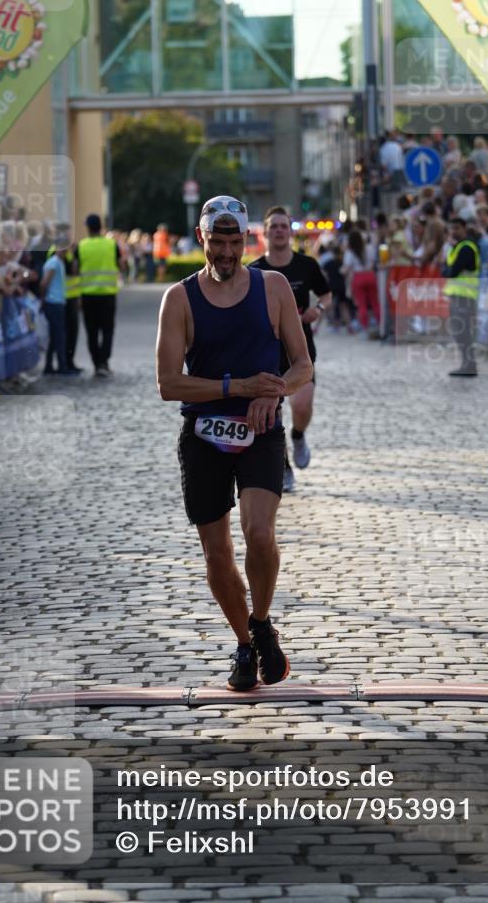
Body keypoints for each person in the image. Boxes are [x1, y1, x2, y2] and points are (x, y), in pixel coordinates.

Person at [156, 195, 313, 692]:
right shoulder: (179, 299)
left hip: (261, 430)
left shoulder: (273, 287)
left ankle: (262, 621)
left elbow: (302, 366)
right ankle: (245, 643)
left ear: (249, 240)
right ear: (201, 239)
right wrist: (235, 388)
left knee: (259, 533)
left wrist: (275, 391)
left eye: (234, 242)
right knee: (217, 556)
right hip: (203, 436)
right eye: (216, 242)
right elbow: (168, 384)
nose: (225, 253)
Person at [251, 206, 331, 492]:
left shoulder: (306, 265)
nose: (280, 231)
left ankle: (298, 436)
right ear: (266, 232)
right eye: (274, 226)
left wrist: (317, 310)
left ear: (290, 230)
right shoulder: (255, 270)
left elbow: (326, 293)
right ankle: (284, 467)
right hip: (268, 350)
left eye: (284, 226)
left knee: (302, 405)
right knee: (274, 413)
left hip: (301, 347)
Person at [77, 213, 123, 377]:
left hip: (88, 295)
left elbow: (75, 269)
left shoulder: (81, 246)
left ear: (88, 227)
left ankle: (97, 364)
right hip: (108, 295)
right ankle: (104, 362)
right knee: (108, 330)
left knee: (92, 332)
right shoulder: (111, 244)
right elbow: (122, 265)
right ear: (101, 227)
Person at [442, 217, 480, 377]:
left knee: (463, 333)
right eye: (452, 228)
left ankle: (469, 365)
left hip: (464, 297)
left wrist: (447, 270)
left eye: (457, 228)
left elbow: (451, 271)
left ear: (464, 228)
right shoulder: (456, 247)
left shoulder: (466, 248)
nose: (454, 231)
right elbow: (446, 270)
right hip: (458, 296)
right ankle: (466, 364)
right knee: (460, 333)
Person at [40, 235, 80, 377]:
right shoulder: (54, 263)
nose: (66, 251)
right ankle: (62, 366)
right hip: (54, 302)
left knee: (54, 335)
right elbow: (45, 283)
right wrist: (43, 300)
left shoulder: (59, 262)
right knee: (59, 336)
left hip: (58, 301)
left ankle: (49, 365)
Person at [342, 229, 380, 334]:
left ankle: (365, 327)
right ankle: (380, 323)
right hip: (370, 275)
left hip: (358, 278)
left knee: (361, 304)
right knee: (375, 302)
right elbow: (373, 263)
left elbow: (346, 268)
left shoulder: (349, 252)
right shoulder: (369, 248)